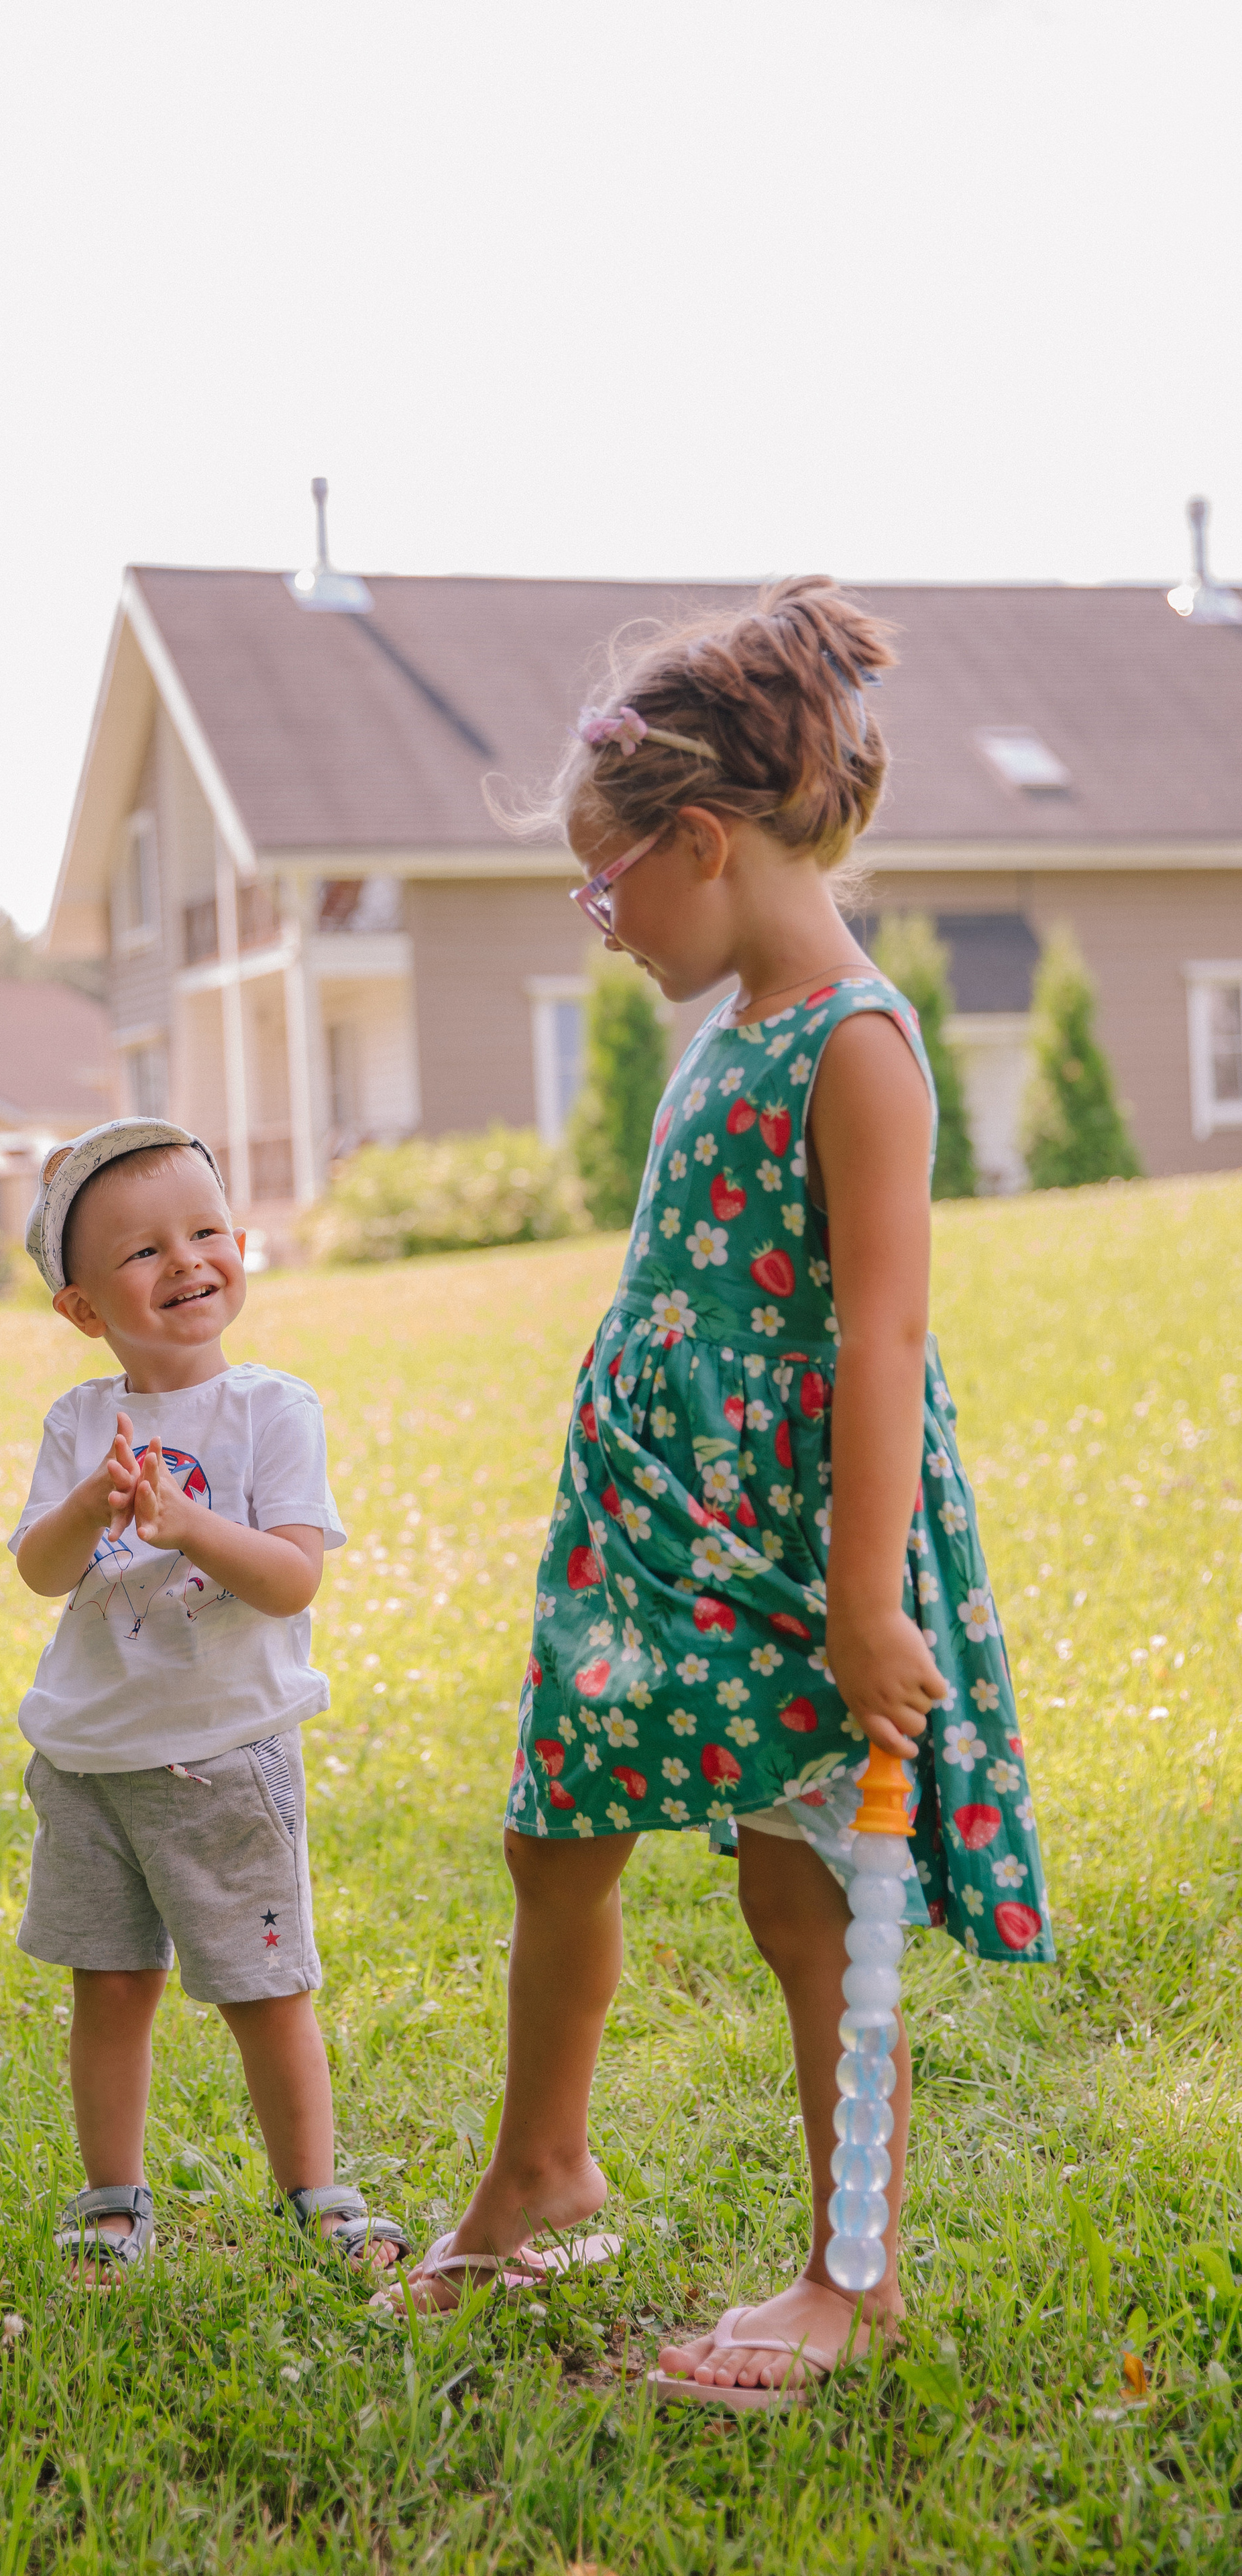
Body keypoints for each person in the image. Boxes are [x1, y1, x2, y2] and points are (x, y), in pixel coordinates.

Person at [387, 580, 1052, 2403]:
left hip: (775, 1548)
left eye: (605, 886)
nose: (597, 925)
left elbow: (885, 1345)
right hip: (643, 1528)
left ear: (698, 839)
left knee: (801, 1894)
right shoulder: (735, 1013)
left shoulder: (854, 1041)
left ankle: (854, 2280)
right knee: (556, 1829)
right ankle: (540, 2175)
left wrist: (858, 1601)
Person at [10, 1118, 408, 2282]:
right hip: (90, 1760)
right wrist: (92, 1508)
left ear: (239, 1245)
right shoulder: (83, 1424)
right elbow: (39, 1569)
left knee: (264, 1985)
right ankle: (112, 2196)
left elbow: (291, 1577)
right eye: (140, 1252)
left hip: (225, 1757)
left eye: (202, 1232)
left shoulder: (272, 1410)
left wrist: (184, 1524)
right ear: (83, 1309)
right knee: (112, 1982)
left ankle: (317, 2191)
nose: (183, 1261)